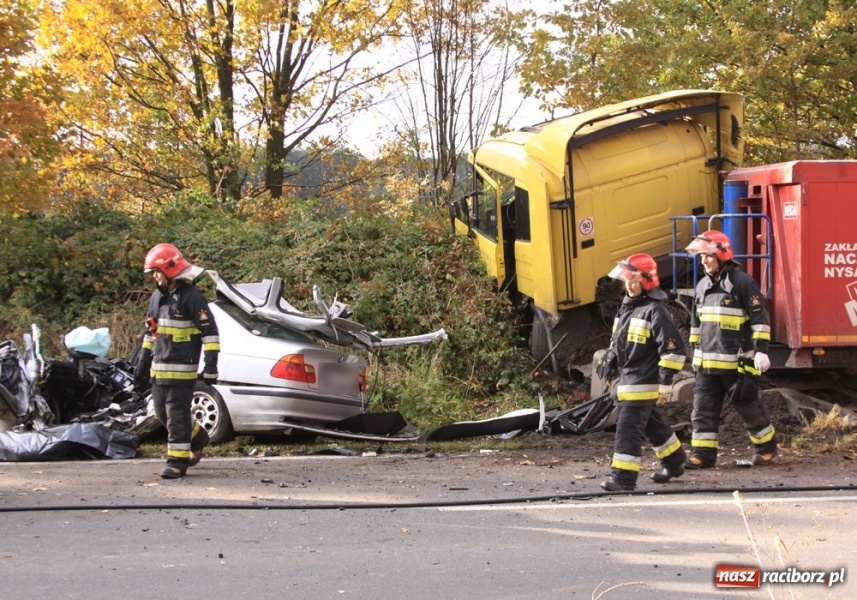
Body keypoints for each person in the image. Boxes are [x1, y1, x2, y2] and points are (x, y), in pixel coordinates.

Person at [684, 230, 777, 469]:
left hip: (737, 365)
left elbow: (759, 318)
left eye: (708, 256)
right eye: (701, 257)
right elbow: (696, 323)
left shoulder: (742, 283)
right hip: (707, 365)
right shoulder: (702, 285)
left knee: (749, 408)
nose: (703, 261)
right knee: (702, 410)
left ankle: (766, 449)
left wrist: (761, 350)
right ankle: (702, 455)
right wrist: (695, 352)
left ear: (722, 256)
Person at [598, 253, 688, 492]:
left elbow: (674, 349)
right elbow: (618, 341)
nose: (629, 285)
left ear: (647, 281)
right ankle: (675, 460)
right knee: (652, 426)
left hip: (642, 383)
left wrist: (666, 380)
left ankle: (624, 478)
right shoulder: (627, 308)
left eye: (634, 280)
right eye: (627, 279)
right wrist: (611, 356)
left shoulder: (655, 311)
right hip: (627, 380)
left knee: (627, 429)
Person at [134, 243, 219, 479]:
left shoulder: (191, 297)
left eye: (156, 272)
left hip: (183, 370)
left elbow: (210, 332)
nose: (154, 277)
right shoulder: (156, 298)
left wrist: (211, 365)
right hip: (158, 370)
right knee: (161, 412)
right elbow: (151, 332)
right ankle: (199, 437)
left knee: (177, 415)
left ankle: (177, 462)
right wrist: (142, 363)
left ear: (169, 271)